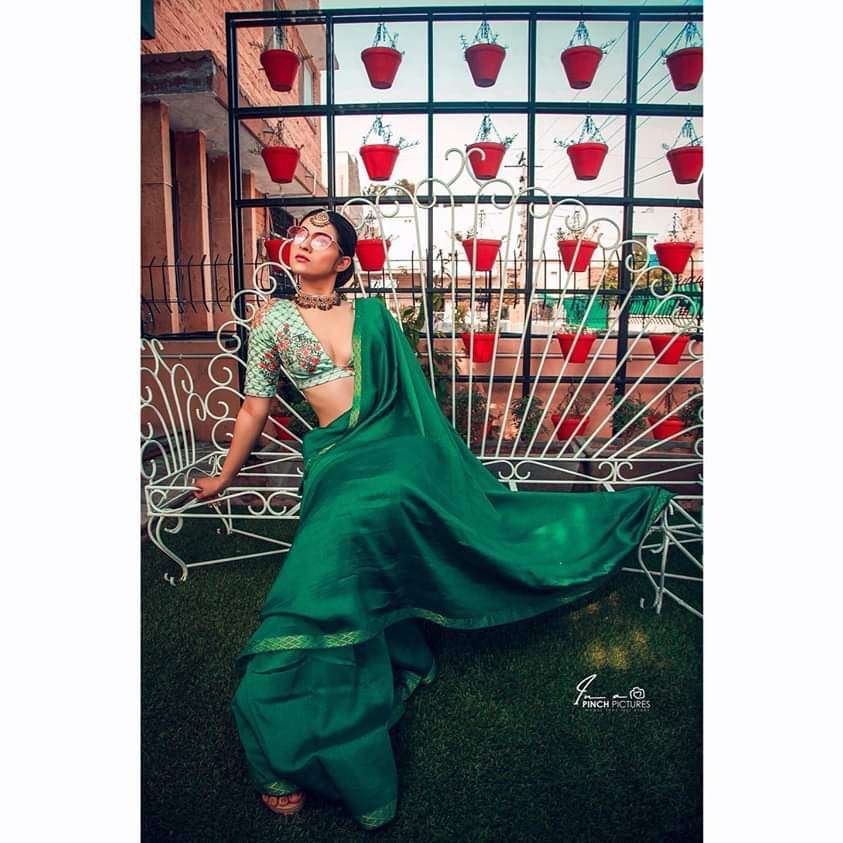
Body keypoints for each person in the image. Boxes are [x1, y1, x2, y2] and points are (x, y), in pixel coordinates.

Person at [192, 207, 674, 830]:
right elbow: (254, 409)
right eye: (300, 233)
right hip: (342, 460)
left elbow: (412, 405)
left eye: (321, 237)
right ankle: (289, 698)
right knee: (350, 533)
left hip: (399, 453)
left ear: (344, 261)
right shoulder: (273, 321)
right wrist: (225, 476)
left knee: (399, 494)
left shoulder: (372, 316)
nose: (303, 242)